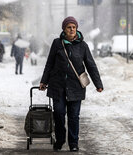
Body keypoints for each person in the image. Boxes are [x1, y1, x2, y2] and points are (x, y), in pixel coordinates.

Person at [39, 16, 103, 152]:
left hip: (76, 87)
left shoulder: (83, 46)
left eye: (74, 27)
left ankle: (73, 143)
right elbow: (49, 64)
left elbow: (91, 65)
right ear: (64, 29)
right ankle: (60, 140)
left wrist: (98, 84)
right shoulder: (57, 44)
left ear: (77, 29)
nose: (72, 29)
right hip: (58, 86)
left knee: (74, 116)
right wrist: (44, 81)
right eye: (69, 27)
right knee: (59, 114)